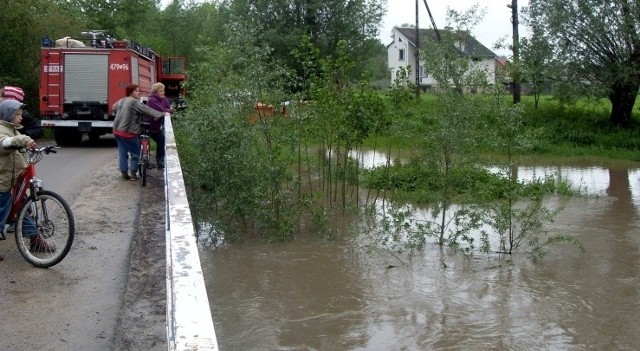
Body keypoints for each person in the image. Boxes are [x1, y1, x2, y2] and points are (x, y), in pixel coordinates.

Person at [0, 99, 54, 255]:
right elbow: (5, 143)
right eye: (17, 114)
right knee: (4, 207)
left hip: (16, 179)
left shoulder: (15, 129)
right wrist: (24, 139)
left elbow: (19, 148)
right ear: (8, 115)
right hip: (4, 181)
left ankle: (35, 240)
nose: (21, 117)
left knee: (24, 206)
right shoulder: (3, 130)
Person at [112, 84, 165, 180]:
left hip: (117, 130)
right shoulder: (135, 102)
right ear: (131, 92)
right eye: (136, 91)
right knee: (136, 153)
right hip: (128, 131)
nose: (138, 92)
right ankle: (133, 174)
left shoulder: (121, 100)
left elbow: (113, 107)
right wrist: (162, 114)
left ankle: (124, 173)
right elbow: (148, 110)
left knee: (122, 152)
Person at [144, 82, 173, 170]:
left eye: (163, 91)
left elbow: (169, 110)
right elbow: (162, 110)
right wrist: (168, 110)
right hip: (148, 126)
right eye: (161, 91)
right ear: (155, 92)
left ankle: (160, 162)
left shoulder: (164, 99)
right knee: (145, 143)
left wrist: (168, 111)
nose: (163, 93)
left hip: (157, 128)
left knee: (161, 142)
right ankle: (145, 161)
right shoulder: (152, 100)